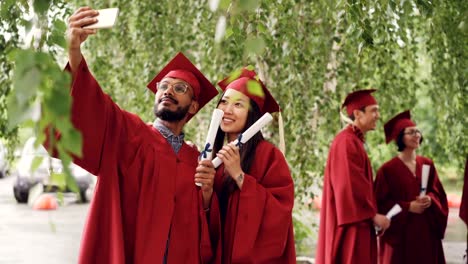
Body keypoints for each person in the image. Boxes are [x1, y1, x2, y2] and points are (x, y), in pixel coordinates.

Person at [60, 7, 221, 263]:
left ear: (193, 106)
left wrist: (207, 194)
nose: (168, 91)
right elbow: (91, 106)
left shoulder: (196, 160)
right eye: (163, 86)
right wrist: (74, 52)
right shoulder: (130, 134)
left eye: (180, 88)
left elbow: (203, 229)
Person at [211, 68, 296, 263]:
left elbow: (279, 214)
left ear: (253, 115)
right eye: (224, 102)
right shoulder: (214, 157)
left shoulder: (269, 155)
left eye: (238, 104)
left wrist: (239, 176)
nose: (227, 110)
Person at [316, 89, 390, 264]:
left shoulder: (353, 141)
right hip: (351, 225)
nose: (378, 116)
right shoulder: (346, 142)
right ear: (358, 113)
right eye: (374, 110)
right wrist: (373, 215)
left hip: (358, 222)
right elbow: (348, 186)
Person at [374, 110, 448, 263]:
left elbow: (438, 193)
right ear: (400, 137)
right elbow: (380, 204)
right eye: (411, 132)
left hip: (426, 234)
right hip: (402, 237)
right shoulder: (387, 170)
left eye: (418, 132)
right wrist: (408, 206)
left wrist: (431, 199)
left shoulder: (427, 164)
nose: (417, 135)